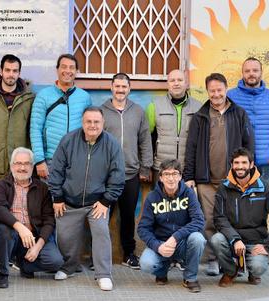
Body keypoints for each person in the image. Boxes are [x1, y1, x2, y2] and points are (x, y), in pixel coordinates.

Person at [183, 73, 254, 276]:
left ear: (226, 89)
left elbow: (249, 144)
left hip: (233, 181)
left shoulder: (239, 114)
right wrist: (189, 176)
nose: (216, 94)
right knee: (209, 220)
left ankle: (232, 262)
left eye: (219, 90)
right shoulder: (200, 116)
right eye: (212, 90)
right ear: (208, 92)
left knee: (234, 221)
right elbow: (191, 148)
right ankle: (213, 260)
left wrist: (248, 172)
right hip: (206, 180)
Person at [49, 107, 125, 291]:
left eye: (96, 122)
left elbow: (117, 176)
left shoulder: (112, 144)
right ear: (82, 123)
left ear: (103, 123)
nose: (92, 125)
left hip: (96, 203)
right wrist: (57, 196)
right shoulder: (68, 140)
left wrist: (106, 200)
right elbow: (56, 170)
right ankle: (69, 267)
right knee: (66, 238)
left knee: (101, 233)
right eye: (88, 122)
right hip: (68, 200)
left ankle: (103, 274)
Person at [211, 147, 269, 287]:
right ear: (232, 165)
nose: (240, 166)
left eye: (244, 163)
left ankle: (253, 272)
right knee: (216, 239)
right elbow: (219, 218)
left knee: (258, 267)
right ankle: (230, 271)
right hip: (232, 240)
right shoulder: (224, 187)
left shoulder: (265, 187)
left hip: (256, 241)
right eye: (236, 163)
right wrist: (235, 239)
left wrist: (268, 247)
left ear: (251, 165)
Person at [0, 147, 63, 288]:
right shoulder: (1, 185)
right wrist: (20, 227)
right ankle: (3, 273)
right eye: (18, 163)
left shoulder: (42, 188)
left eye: (27, 163)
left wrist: (38, 246)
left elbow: (49, 219)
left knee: (56, 262)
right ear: (12, 166)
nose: (22, 168)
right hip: (10, 234)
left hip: (33, 237)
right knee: (4, 231)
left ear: (32, 166)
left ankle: (24, 264)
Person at [101, 72, 153, 269]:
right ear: (111, 88)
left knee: (128, 216)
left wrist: (145, 166)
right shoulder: (102, 111)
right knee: (101, 216)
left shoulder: (138, 111)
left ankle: (129, 254)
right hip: (107, 175)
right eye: (117, 86)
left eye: (124, 87)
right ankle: (99, 256)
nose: (120, 90)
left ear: (129, 89)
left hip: (131, 173)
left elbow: (145, 140)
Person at [0, 54, 35, 217]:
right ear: (1, 71)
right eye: (7, 70)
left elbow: (32, 130)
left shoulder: (29, 98)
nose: (11, 74)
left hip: (19, 166)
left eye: (15, 71)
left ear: (19, 73)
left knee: (18, 210)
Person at [138, 159, 205, 293]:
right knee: (146, 263)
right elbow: (143, 228)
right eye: (167, 174)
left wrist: (175, 237)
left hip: (181, 242)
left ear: (180, 177)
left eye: (175, 174)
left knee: (198, 239)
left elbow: (199, 220)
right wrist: (158, 246)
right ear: (161, 177)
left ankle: (190, 278)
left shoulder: (188, 193)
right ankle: (162, 271)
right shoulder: (152, 197)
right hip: (161, 243)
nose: (171, 178)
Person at [30, 53, 92, 180]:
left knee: (74, 198)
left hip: (78, 159)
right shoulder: (43, 95)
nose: (67, 71)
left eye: (71, 67)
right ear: (57, 69)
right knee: (50, 198)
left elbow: (90, 128)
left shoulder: (85, 97)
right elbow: (35, 128)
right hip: (50, 160)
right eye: (64, 67)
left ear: (77, 71)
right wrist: (39, 160)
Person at [228, 57, 269, 182]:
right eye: (247, 71)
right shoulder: (230, 96)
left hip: (264, 164)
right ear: (242, 73)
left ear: (261, 72)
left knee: (262, 200)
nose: (251, 74)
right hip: (237, 164)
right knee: (238, 200)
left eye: (255, 70)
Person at [146, 69, 201, 181]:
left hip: (186, 170)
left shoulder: (198, 107)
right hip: (161, 168)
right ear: (168, 84)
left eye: (180, 80)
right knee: (160, 199)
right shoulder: (154, 105)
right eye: (172, 80)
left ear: (186, 83)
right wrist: (147, 167)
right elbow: (146, 139)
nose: (176, 83)